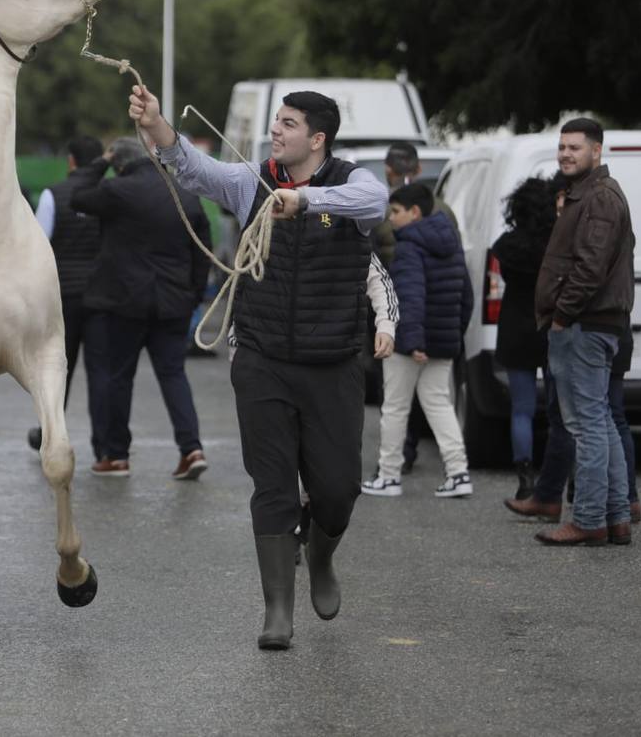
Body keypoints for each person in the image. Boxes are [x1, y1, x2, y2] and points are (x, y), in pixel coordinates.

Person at [129, 84, 387, 650]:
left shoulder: (352, 181)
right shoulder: (253, 180)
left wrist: (308, 201)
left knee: (338, 488)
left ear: (317, 139)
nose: (276, 131)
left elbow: (376, 204)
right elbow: (195, 171)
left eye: (289, 124)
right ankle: (277, 611)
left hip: (334, 363)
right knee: (271, 486)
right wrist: (157, 125)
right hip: (263, 361)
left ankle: (320, 557)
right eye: (277, 121)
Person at [69, 137, 211, 478]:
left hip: (125, 303)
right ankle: (191, 449)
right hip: (173, 303)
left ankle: (117, 456)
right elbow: (201, 248)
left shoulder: (118, 190)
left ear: (119, 163)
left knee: (120, 378)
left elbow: (78, 196)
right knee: (174, 375)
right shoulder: (183, 193)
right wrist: (191, 295)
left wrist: (99, 163)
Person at [533, 118, 634, 547]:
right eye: (562, 147)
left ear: (597, 151)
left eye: (575, 147)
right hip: (587, 323)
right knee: (600, 421)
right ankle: (615, 518)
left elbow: (590, 266)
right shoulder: (588, 194)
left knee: (588, 424)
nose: (566, 154)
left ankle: (590, 519)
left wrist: (562, 314)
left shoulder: (599, 197)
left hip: (583, 325)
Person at [362, 183, 474, 498]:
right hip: (443, 341)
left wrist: (412, 342)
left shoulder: (409, 246)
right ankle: (458, 472)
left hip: (410, 342)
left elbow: (410, 298)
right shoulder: (452, 242)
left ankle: (388, 475)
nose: (391, 219)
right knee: (439, 404)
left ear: (414, 212)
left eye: (395, 212)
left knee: (395, 406)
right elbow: (466, 297)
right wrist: (451, 334)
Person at [24, 136, 107, 454]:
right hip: (101, 293)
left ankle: (49, 434)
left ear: (71, 161)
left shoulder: (52, 195)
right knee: (101, 372)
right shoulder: (107, 194)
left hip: (63, 297)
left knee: (58, 368)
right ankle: (105, 446)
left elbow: (39, 246)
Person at [491, 178, 558, 500]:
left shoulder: (507, 245)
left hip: (516, 327)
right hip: (552, 327)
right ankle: (564, 478)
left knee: (522, 409)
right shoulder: (558, 243)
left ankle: (525, 478)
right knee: (563, 410)